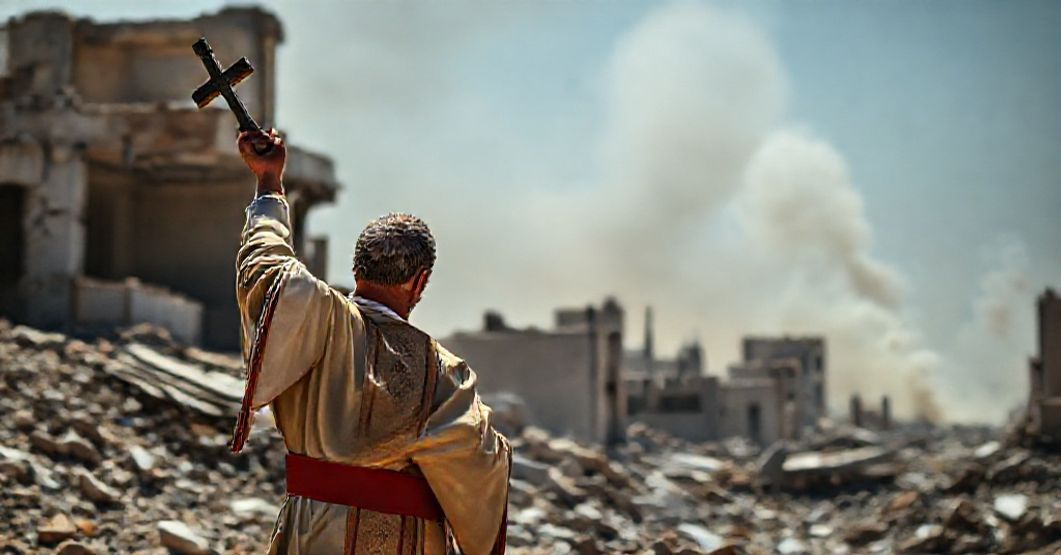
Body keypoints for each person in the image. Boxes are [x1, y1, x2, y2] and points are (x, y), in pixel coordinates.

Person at [231, 128, 510, 554]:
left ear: (358, 268)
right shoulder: (441, 371)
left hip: (307, 533)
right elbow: (479, 460)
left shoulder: (312, 317)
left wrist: (270, 183)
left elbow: (266, 261)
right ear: (421, 281)